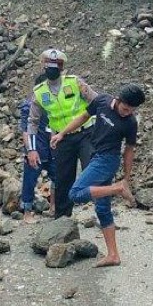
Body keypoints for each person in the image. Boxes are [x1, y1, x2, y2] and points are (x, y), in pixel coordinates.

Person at [50, 84, 146, 267]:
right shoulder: (101, 101)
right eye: (125, 108)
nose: (127, 113)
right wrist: (62, 133)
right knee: (102, 209)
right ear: (117, 100)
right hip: (96, 155)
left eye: (132, 110)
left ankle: (117, 188)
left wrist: (125, 179)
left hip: (108, 160)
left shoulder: (130, 122)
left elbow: (129, 150)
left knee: (75, 193)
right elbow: (83, 117)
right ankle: (113, 255)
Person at [27, 48, 98, 218]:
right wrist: (31, 149)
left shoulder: (74, 83)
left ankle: (102, 212)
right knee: (63, 178)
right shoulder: (39, 92)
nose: (52, 69)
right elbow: (32, 122)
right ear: (44, 67)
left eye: (55, 66)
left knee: (94, 171)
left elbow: (96, 100)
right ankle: (62, 219)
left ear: (61, 68)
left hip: (86, 133)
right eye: (48, 65)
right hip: (61, 139)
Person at [19, 72, 56, 223]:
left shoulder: (53, 103)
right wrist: (30, 151)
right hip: (36, 149)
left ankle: (53, 207)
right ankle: (27, 212)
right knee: (30, 180)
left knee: (58, 177)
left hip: (53, 148)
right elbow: (26, 131)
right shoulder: (28, 106)